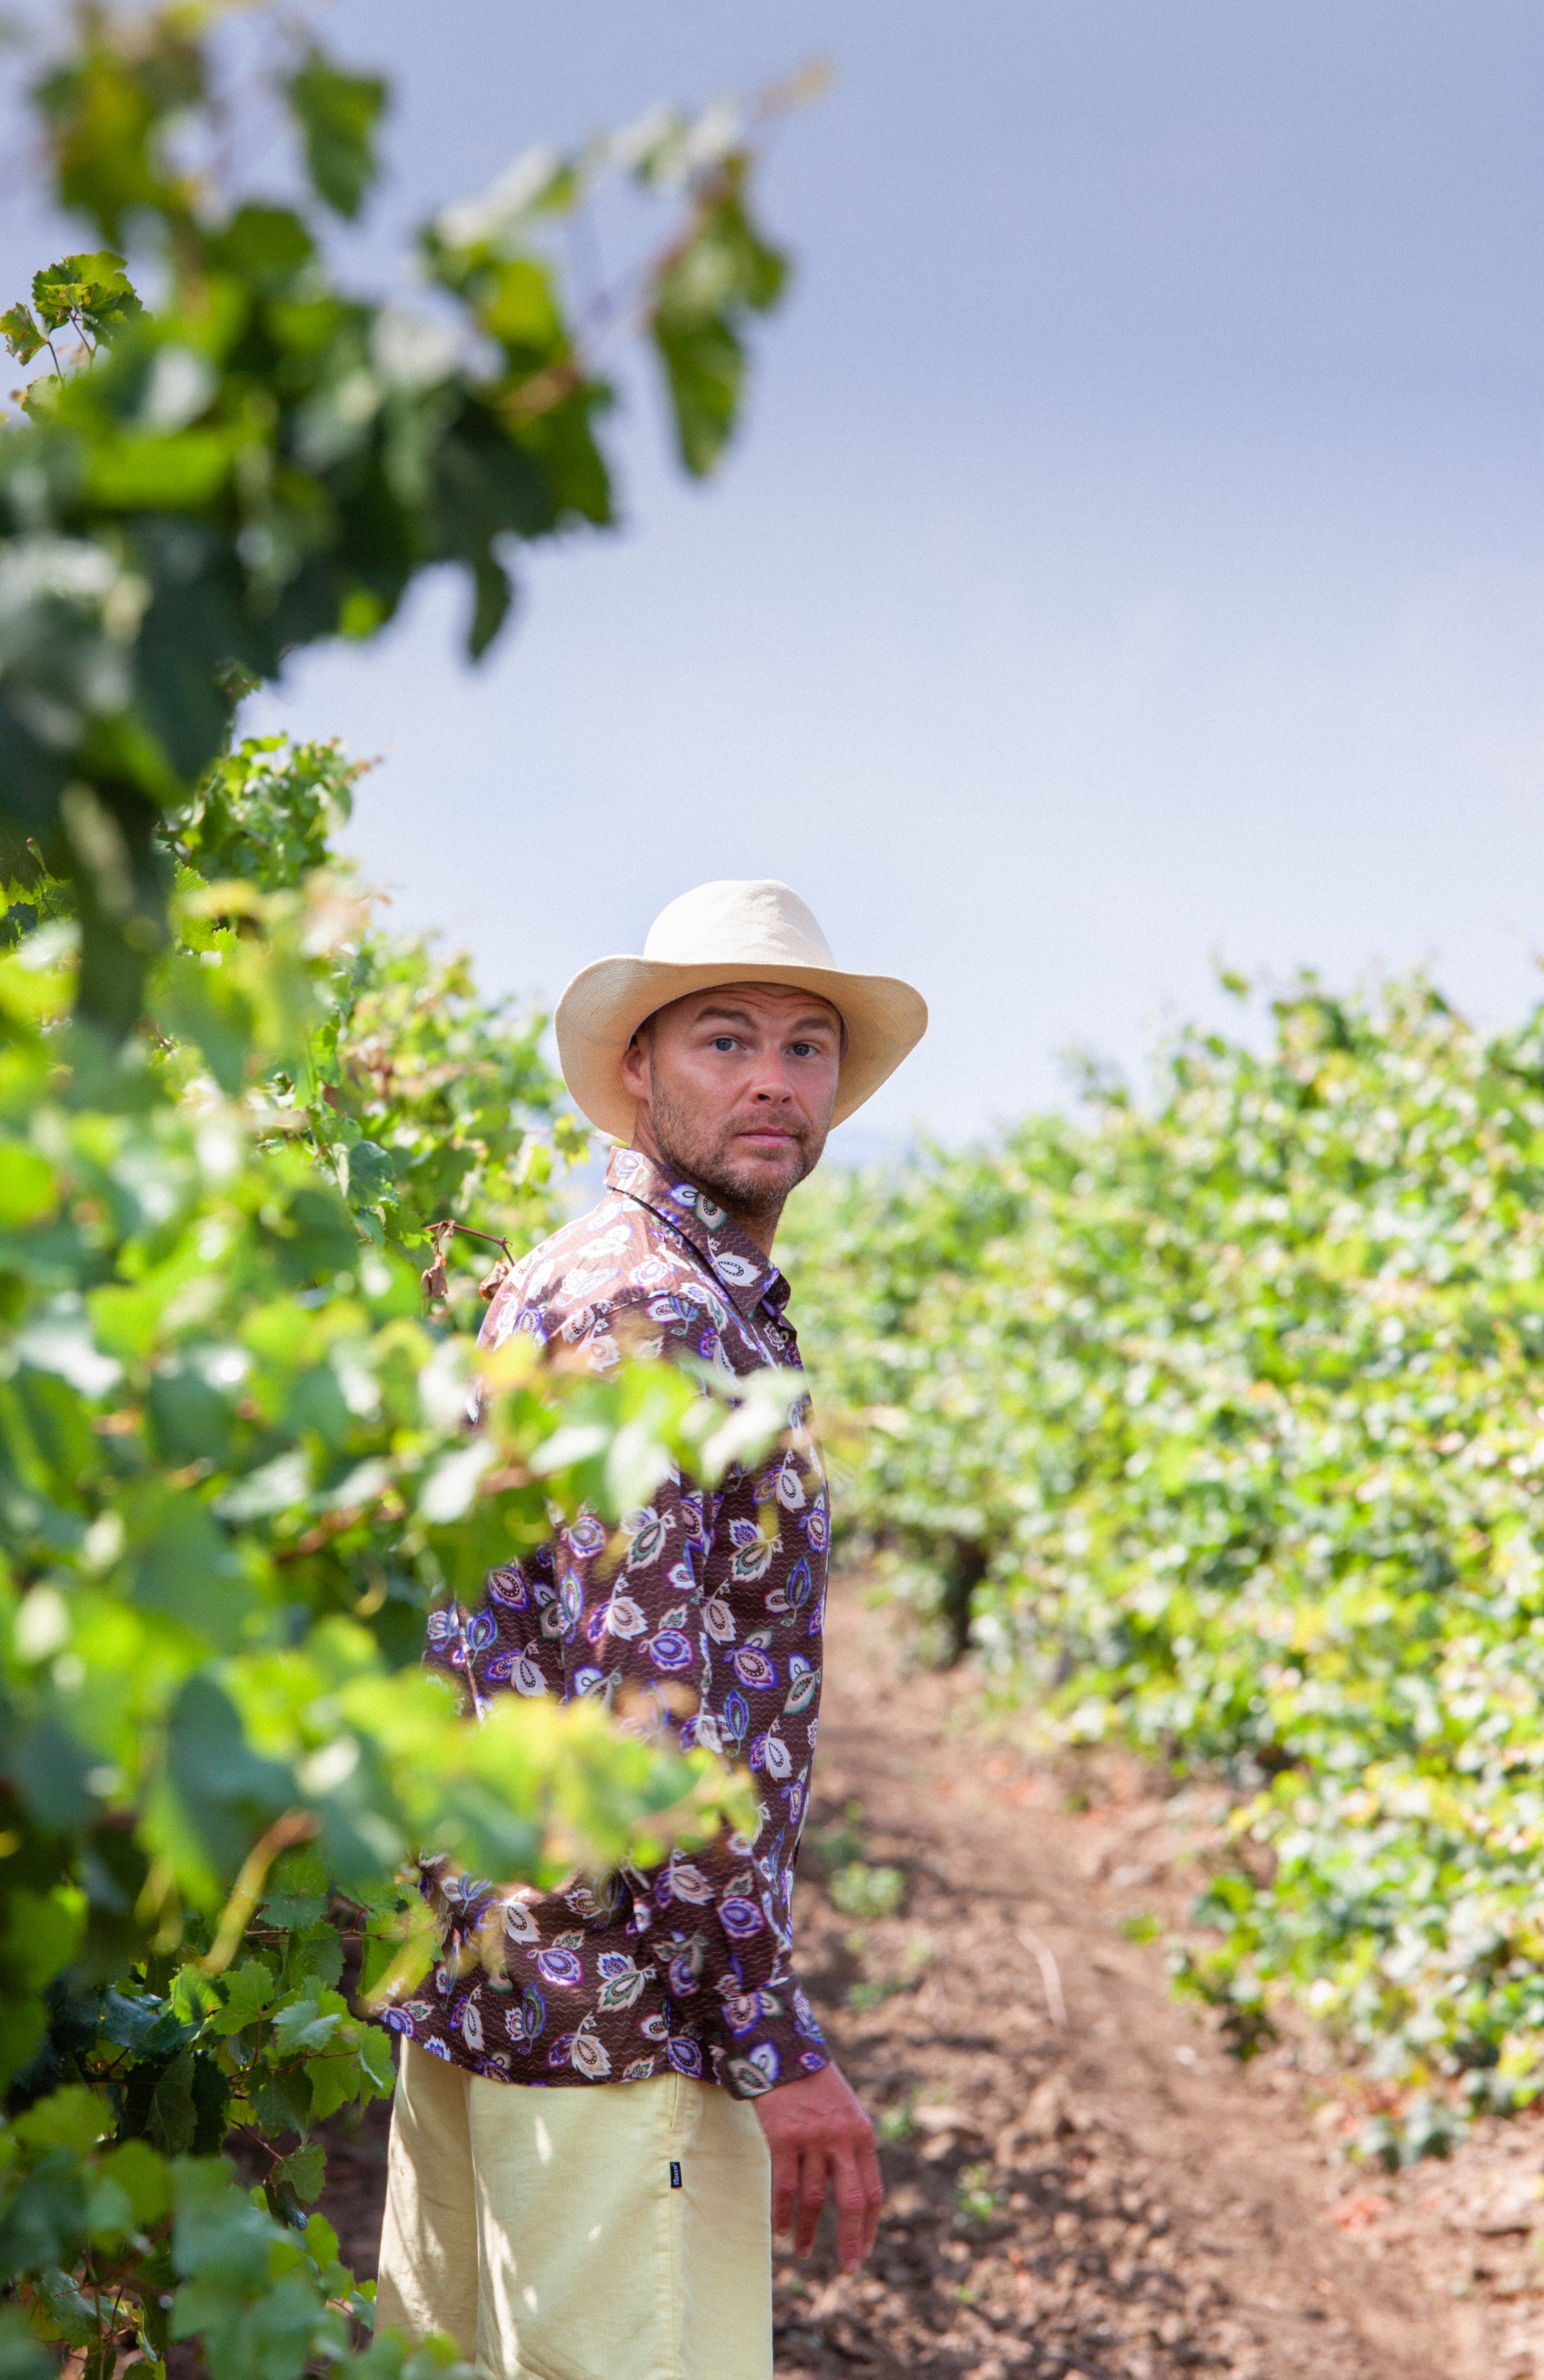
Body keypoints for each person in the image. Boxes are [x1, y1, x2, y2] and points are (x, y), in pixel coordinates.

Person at [374, 878, 929, 2380]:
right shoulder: (660, 1316)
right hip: (612, 2025)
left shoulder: (573, 1278)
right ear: (637, 1069)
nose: (771, 1080)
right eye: (723, 1040)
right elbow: (647, 1730)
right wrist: (777, 2044)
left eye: (806, 1049)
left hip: (486, 1990)